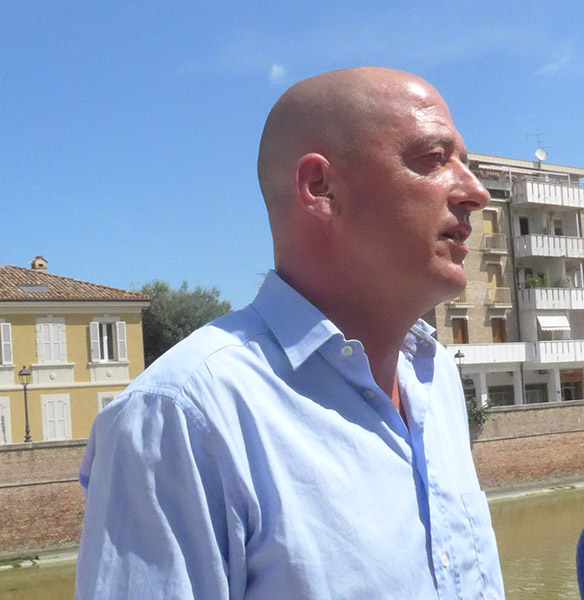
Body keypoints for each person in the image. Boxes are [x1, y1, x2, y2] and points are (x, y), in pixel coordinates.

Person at [76, 66, 504, 600]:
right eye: (434, 158)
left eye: (466, 163)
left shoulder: (435, 376)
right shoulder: (180, 416)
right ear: (320, 188)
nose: (476, 192)